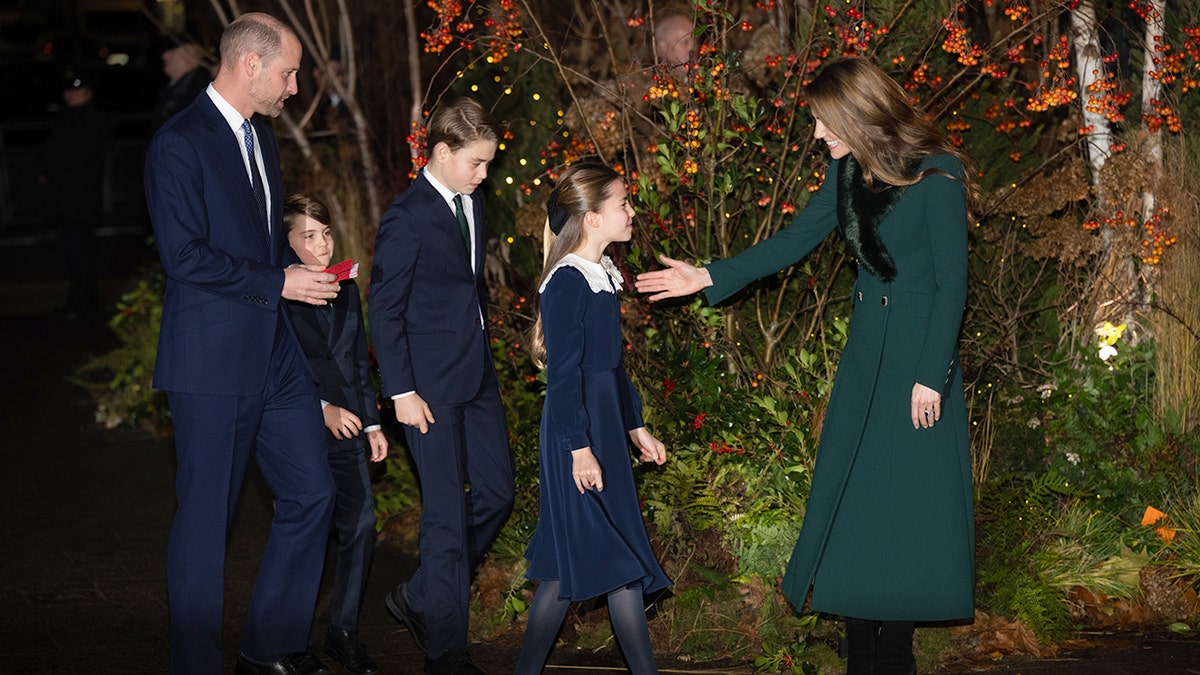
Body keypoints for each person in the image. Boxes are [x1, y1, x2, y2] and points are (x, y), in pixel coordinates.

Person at [635, 56, 975, 674]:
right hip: (866, 356)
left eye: (823, 122)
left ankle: (893, 653)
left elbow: (953, 284)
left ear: (859, 115)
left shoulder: (937, 176)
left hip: (917, 368)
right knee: (853, 499)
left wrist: (932, 375)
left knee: (903, 507)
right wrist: (707, 275)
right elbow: (793, 240)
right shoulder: (846, 174)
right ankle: (858, 649)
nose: (817, 136)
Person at [143, 12, 341, 675]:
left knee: (313, 491)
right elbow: (184, 256)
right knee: (205, 522)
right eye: (288, 73)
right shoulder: (179, 143)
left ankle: (270, 643)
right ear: (250, 65)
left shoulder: (263, 139)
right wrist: (276, 280)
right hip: (210, 361)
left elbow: (258, 246)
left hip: (274, 353)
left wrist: (299, 278)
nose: (293, 87)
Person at [369, 97, 515, 675]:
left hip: (475, 375)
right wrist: (400, 390)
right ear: (442, 152)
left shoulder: (472, 201)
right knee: (446, 519)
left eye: (489, 164)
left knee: (497, 494)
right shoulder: (407, 217)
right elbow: (384, 308)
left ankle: (424, 594)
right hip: (425, 389)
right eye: (477, 164)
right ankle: (446, 654)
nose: (485, 175)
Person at [513, 163, 671, 675]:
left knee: (565, 567)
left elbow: (609, 366)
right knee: (617, 560)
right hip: (574, 434)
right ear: (592, 218)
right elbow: (563, 377)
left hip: (602, 428)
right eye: (623, 203)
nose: (632, 211)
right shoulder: (567, 282)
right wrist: (579, 447)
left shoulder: (602, 274)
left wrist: (635, 426)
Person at [283, 194, 388, 675]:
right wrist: (320, 407)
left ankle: (343, 631)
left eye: (326, 233)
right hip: (298, 427)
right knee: (306, 534)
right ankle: (290, 639)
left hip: (350, 426)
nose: (323, 245)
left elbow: (355, 365)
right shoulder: (279, 293)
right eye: (308, 236)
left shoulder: (346, 288)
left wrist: (371, 422)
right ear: (286, 244)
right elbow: (277, 367)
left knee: (362, 525)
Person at [38, 69, 111, 320]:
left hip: (80, 200)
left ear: (88, 92)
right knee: (76, 253)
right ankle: (79, 302)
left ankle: (83, 304)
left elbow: (80, 159)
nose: (72, 95)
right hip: (66, 199)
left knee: (82, 253)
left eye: (77, 90)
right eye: (69, 90)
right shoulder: (68, 117)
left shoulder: (92, 119)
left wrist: (52, 172)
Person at [149, 32, 212, 137]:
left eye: (171, 49)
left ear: (189, 53)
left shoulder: (203, 90)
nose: (164, 56)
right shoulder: (177, 88)